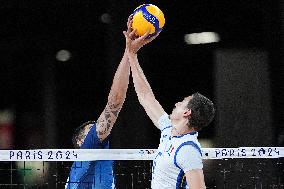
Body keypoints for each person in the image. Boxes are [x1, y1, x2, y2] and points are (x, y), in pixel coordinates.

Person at [123, 22, 215, 188]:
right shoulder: (168, 130)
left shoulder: (188, 149)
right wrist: (132, 54)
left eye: (182, 102)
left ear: (187, 112)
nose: (176, 103)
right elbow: (145, 96)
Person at [65, 18, 134, 189]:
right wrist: (129, 51)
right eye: (91, 132)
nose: (98, 129)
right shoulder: (89, 150)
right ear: (82, 141)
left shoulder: (83, 170)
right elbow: (115, 102)